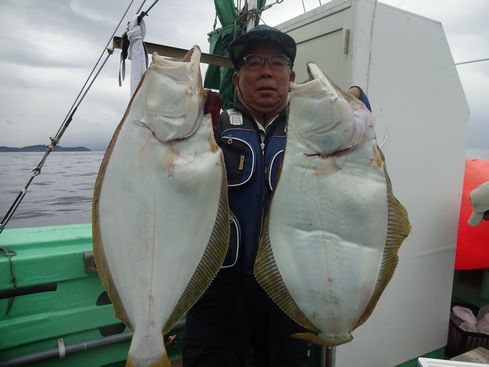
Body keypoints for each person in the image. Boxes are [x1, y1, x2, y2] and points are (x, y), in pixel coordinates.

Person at [183, 25, 370, 367]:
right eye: (253, 62)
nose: (266, 71)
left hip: (292, 289)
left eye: (278, 63)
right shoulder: (212, 128)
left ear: (291, 77)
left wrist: (355, 96)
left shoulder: (312, 132)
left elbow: (357, 140)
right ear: (237, 79)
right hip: (217, 292)